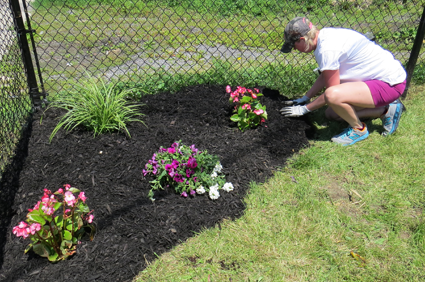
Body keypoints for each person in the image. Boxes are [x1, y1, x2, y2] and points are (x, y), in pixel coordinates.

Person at [280, 17, 407, 146]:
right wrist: (306, 97)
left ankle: (358, 129)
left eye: (294, 46)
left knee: (332, 96)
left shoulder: (326, 50)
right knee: (332, 114)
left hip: (389, 84)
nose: (295, 50)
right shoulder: (326, 34)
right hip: (378, 80)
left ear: (302, 39)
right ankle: (386, 110)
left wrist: (305, 109)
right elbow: (326, 75)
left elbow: (332, 93)